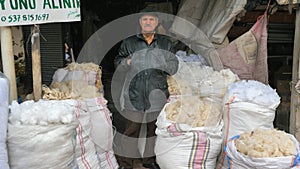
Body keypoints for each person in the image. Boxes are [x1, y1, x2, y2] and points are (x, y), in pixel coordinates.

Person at [114, 9, 179, 169]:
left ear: (157, 23)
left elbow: (174, 65)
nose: (148, 22)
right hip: (133, 94)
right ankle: (128, 163)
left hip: (156, 95)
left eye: (151, 19)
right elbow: (117, 63)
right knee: (131, 131)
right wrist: (126, 63)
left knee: (153, 132)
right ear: (140, 22)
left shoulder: (165, 43)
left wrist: (164, 65)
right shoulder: (129, 43)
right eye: (145, 19)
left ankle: (149, 162)